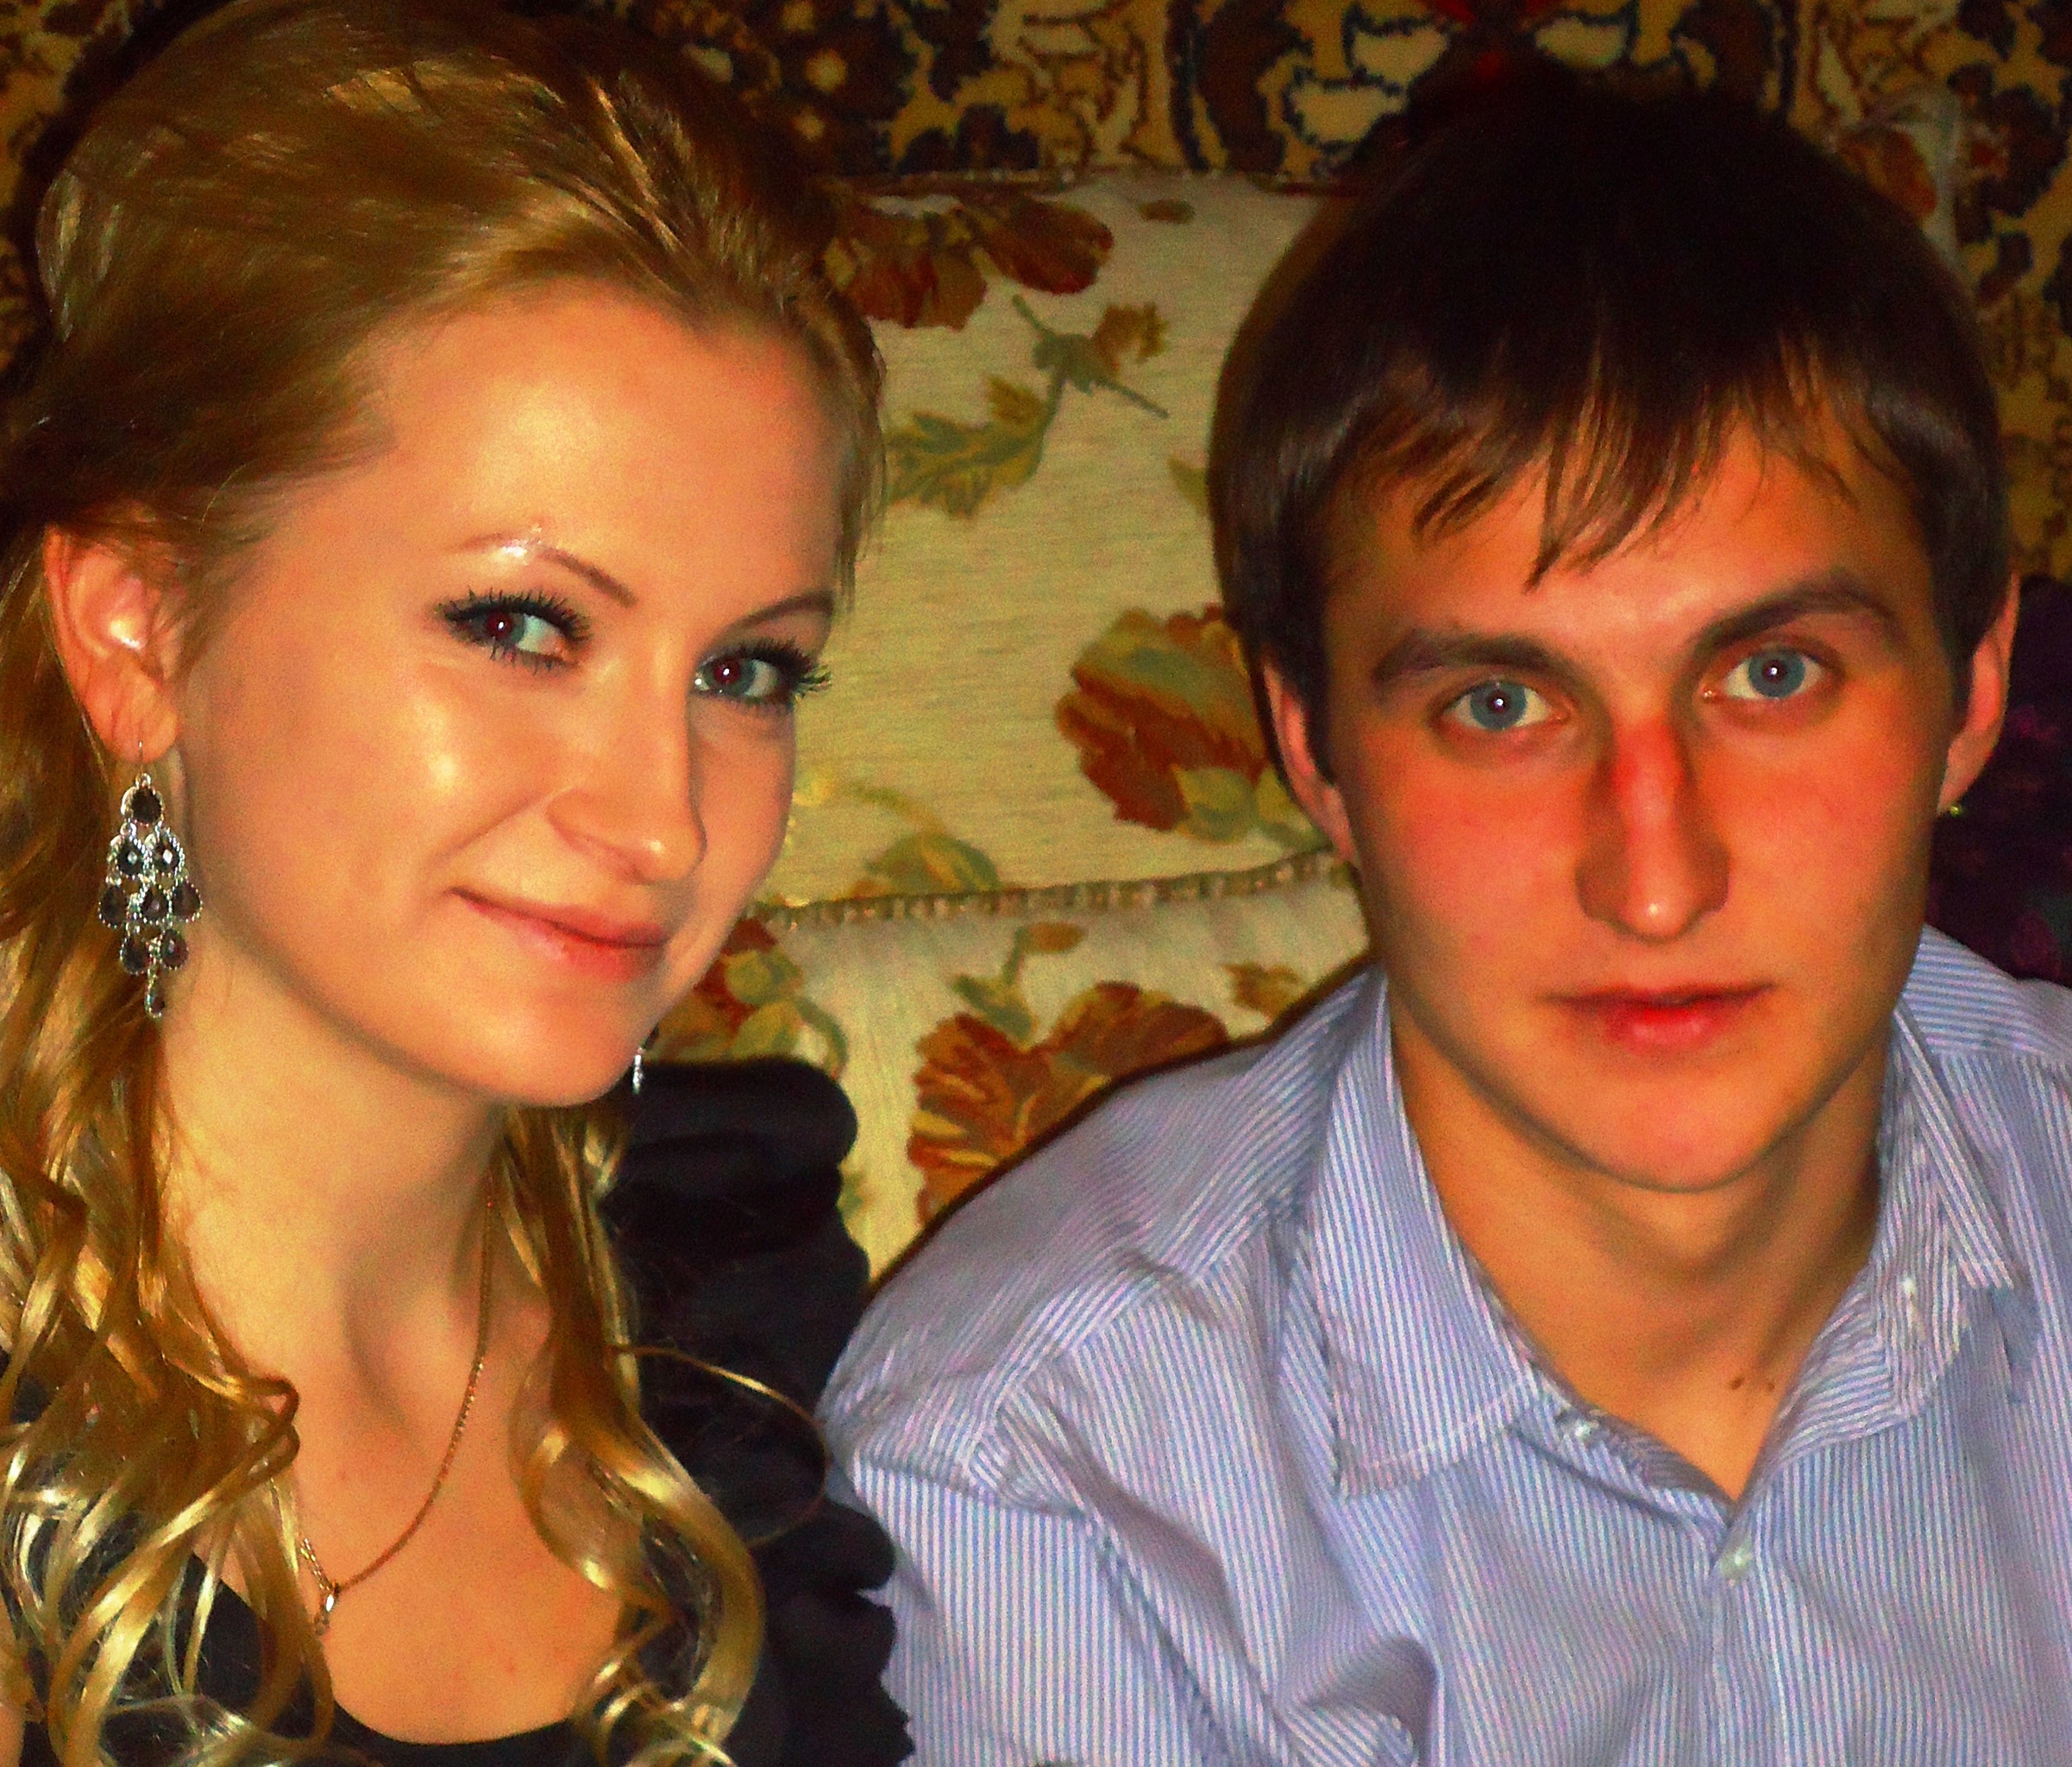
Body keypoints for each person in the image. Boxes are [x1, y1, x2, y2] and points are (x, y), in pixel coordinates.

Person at [822, 72, 2072, 1764]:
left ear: (1974, 692)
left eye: (1771, 676)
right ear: (1314, 754)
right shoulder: (1047, 1475)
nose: (1654, 879)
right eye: (1500, 706)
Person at [0, 1, 908, 1762]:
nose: (662, 821)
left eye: (746, 671)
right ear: (139, 632)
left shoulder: (715, 1317)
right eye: (519, 628)